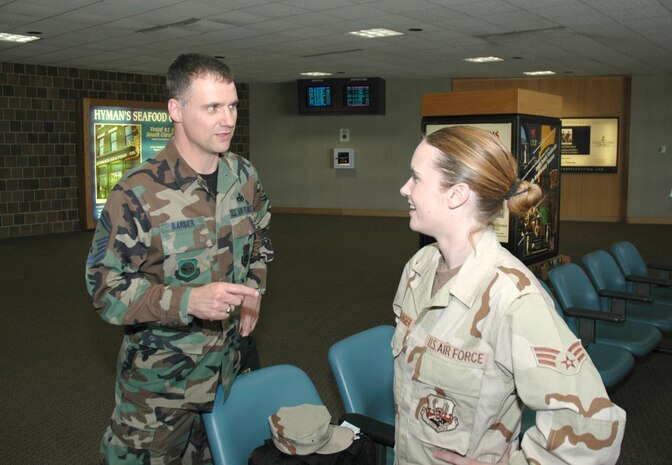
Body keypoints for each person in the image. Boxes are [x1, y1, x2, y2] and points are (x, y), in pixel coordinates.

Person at [392, 126, 625, 465]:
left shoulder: (514, 298)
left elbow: (594, 430)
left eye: (416, 178)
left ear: (456, 195)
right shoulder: (419, 268)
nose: (404, 188)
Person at [85, 53, 273, 464]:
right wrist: (187, 301)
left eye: (232, 106)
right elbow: (105, 287)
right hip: (160, 386)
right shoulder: (136, 193)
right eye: (212, 108)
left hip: (224, 370)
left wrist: (254, 289)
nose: (227, 119)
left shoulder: (243, 176)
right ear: (176, 110)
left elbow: (260, 239)